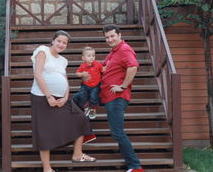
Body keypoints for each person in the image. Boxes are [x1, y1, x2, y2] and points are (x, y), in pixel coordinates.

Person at [30, 30, 96, 172]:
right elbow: (38, 75)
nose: (61, 44)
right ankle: (47, 169)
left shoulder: (63, 60)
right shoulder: (43, 51)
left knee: (80, 119)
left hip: (61, 99)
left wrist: (66, 97)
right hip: (42, 97)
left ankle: (77, 154)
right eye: (59, 41)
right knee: (44, 131)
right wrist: (49, 96)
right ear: (53, 40)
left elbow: (65, 80)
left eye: (64, 43)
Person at [100, 24, 144, 172]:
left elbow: (133, 67)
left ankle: (135, 166)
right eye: (107, 37)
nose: (110, 39)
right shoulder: (113, 52)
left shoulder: (124, 49)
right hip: (107, 97)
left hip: (117, 98)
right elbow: (103, 68)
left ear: (119, 35)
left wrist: (123, 86)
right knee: (116, 132)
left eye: (112, 36)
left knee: (117, 132)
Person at [73, 46, 103, 119]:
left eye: (93, 55)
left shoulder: (97, 64)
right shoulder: (83, 66)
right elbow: (77, 73)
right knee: (83, 95)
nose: (92, 57)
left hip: (95, 86)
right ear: (83, 58)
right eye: (89, 56)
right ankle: (86, 108)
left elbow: (103, 70)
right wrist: (82, 74)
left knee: (93, 96)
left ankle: (93, 109)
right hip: (85, 85)